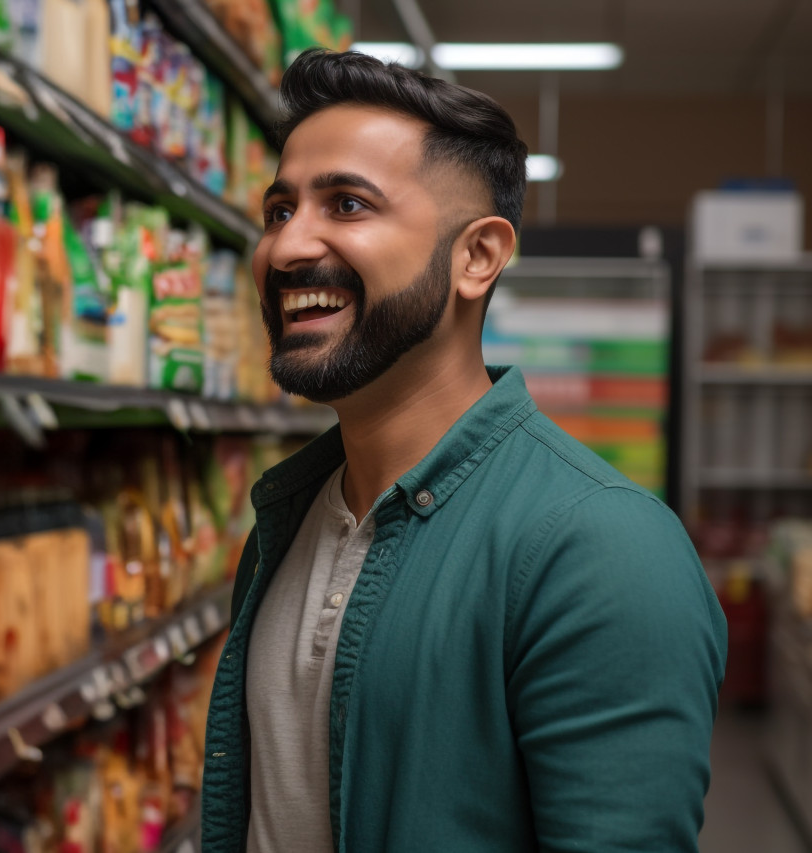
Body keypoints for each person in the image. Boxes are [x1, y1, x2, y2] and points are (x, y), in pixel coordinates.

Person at [200, 49, 726, 852]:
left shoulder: (605, 551)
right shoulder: (289, 516)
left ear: (477, 256)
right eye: (279, 210)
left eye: (346, 204)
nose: (286, 247)